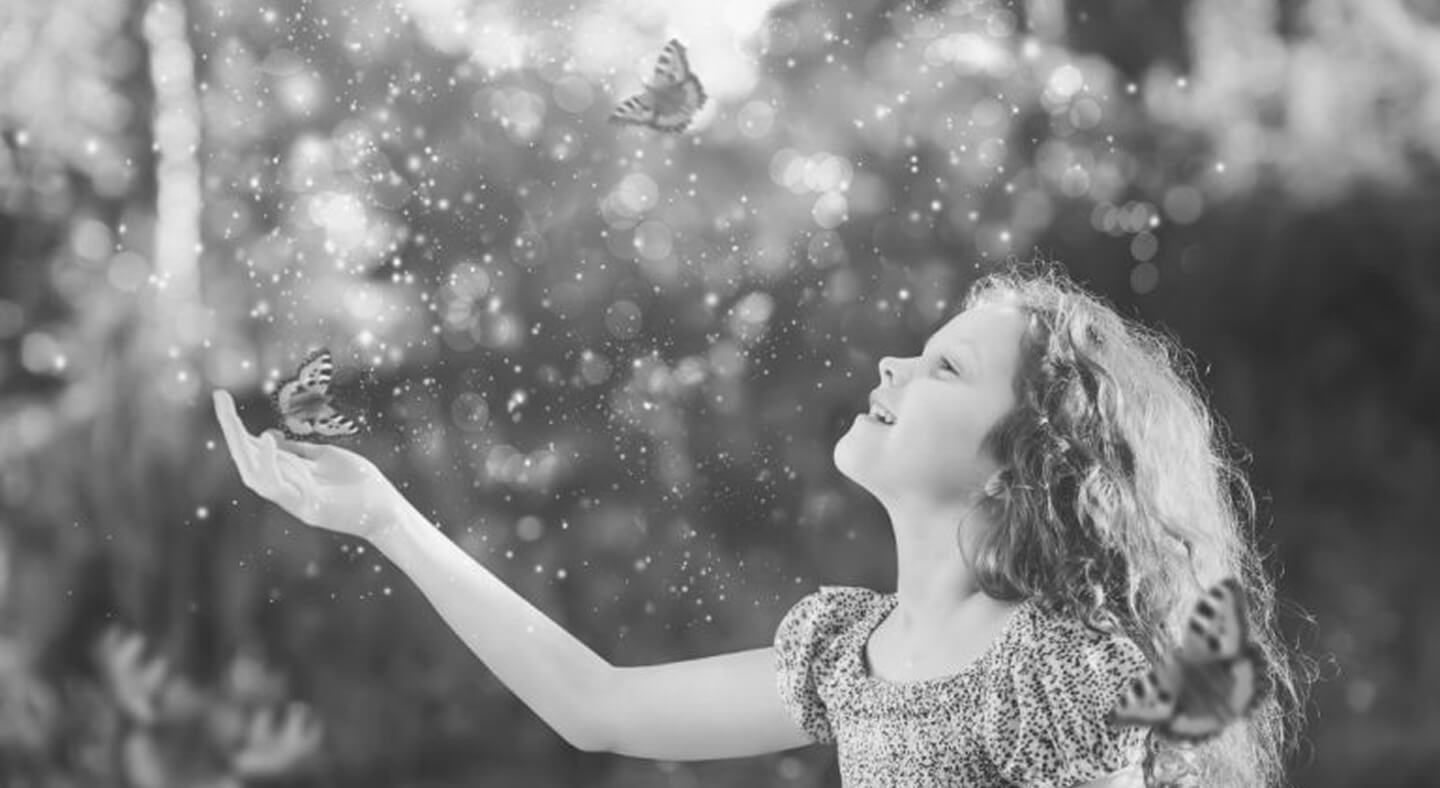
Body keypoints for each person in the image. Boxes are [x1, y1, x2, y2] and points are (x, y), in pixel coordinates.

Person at [212, 263, 1306, 786]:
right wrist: (385, 516)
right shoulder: (845, 655)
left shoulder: (1065, 672)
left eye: (945, 368)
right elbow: (599, 706)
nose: (895, 363)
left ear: (1025, 464)